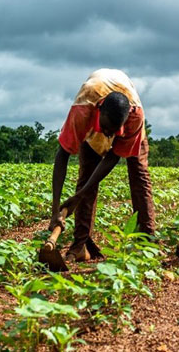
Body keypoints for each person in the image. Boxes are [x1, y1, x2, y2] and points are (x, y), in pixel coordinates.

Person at [49, 69, 155, 262]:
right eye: (106, 129)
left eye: (113, 131)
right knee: (86, 175)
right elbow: (62, 154)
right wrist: (56, 209)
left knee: (139, 175)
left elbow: (113, 157)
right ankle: (80, 246)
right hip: (92, 116)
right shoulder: (83, 110)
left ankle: (147, 243)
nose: (108, 135)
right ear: (99, 110)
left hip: (124, 116)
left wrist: (78, 197)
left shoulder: (134, 116)